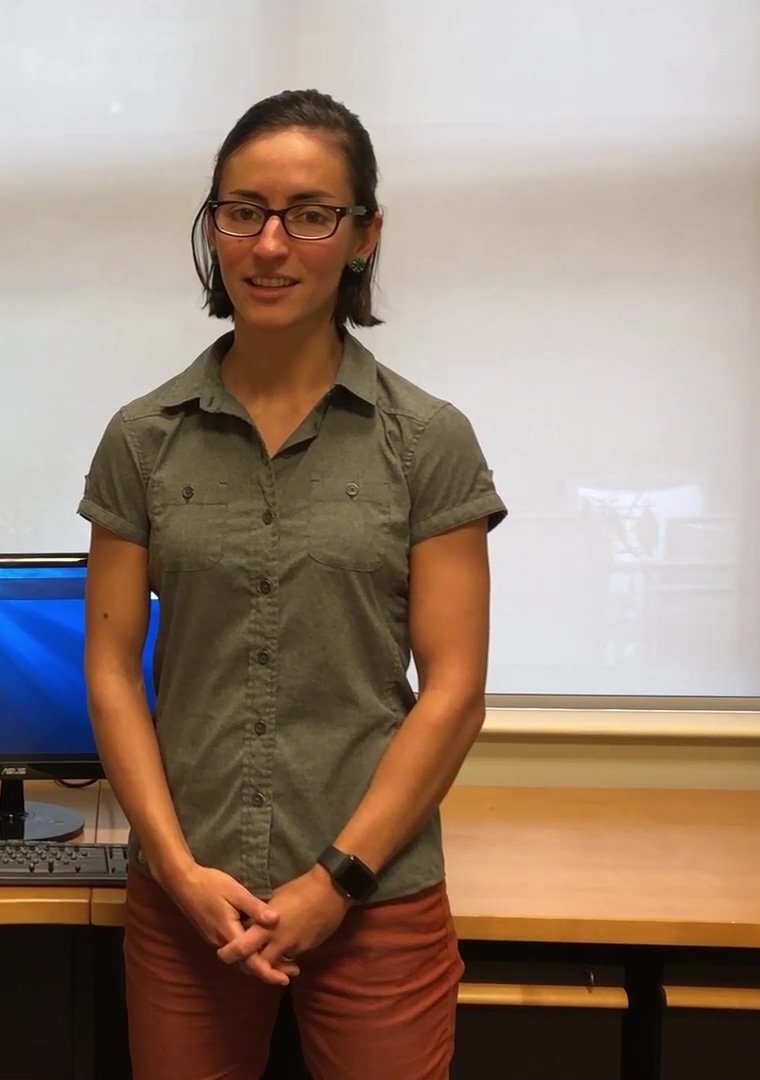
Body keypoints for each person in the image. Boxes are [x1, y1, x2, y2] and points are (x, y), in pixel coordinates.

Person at [78, 88, 506, 1080]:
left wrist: (334, 882)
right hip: (191, 900)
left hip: (375, 899)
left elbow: (454, 692)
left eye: (311, 213)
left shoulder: (426, 440)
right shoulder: (142, 440)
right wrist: (178, 871)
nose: (271, 244)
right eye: (242, 210)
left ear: (363, 235)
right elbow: (108, 667)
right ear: (214, 227)